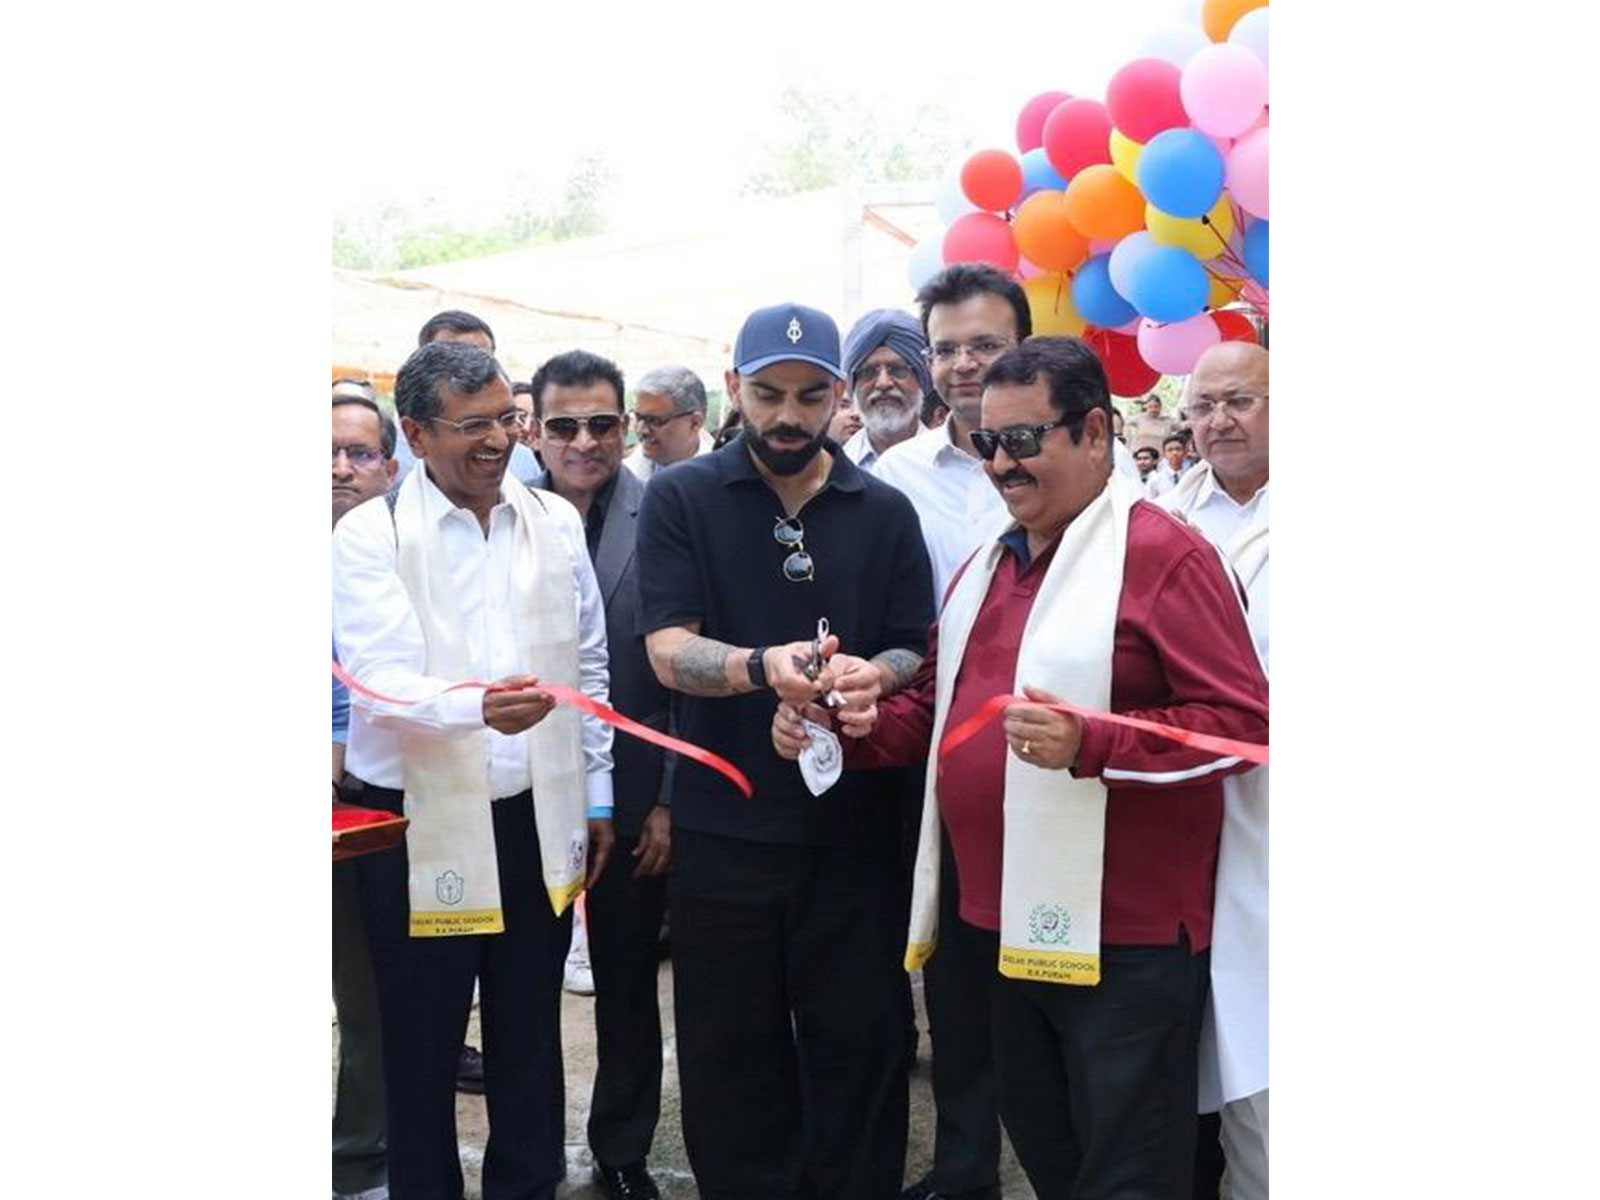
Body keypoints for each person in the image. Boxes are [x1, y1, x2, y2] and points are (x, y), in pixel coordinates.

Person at [777, 335, 1269, 1200]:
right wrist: (849, 722)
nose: (1001, 464)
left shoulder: (1164, 554)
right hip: (998, 927)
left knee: (1128, 1173)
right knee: (1049, 1153)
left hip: (1125, 938)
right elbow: (940, 716)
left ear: (1094, 432)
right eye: (988, 442)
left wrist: (1096, 743)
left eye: (1023, 440)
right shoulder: (989, 562)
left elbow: (1239, 727)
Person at [636, 301, 935, 1200]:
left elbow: (910, 644)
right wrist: (762, 668)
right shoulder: (683, 497)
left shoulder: (884, 510)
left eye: (810, 396)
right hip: (725, 830)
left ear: (839, 392)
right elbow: (667, 650)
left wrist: (868, 677)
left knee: (862, 1048)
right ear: (733, 388)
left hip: (855, 836)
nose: (788, 416)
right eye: (769, 394)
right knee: (730, 1054)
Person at [333, 339, 617, 1200]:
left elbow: (589, 665)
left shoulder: (552, 520)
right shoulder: (371, 532)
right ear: (417, 433)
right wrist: (479, 710)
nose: (498, 441)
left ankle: (525, 1186)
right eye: (472, 426)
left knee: (530, 1030)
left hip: (534, 811)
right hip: (416, 820)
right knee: (420, 1041)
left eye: (505, 419)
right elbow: (378, 680)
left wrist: (597, 795)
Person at [870, 263, 1028, 1200]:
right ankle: (965, 1167)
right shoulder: (890, 480)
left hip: (1047, 757)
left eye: (986, 344)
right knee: (952, 974)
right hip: (920, 756)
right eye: (948, 349)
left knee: (1041, 969)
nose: (965, 365)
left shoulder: (1091, 468)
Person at [529, 349, 675, 1200]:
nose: (583, 441)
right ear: (534, 430)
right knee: (521, 990)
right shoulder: (500, 515)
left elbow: (685, 674)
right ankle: (529, 1149)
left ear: (625, 428)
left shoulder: (665, 515)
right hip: (523, 794)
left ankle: (621, 1150)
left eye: (601, 424)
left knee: (625, 986)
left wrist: (668, 803)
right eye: (564, 425)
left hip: (638, 796)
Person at [1160, 342, 1270, 1200]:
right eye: (1202, 406)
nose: (1218, 422)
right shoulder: (1163, 513)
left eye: (1240, 401)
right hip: (1183, 811)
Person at [332, 388, 399, 1200]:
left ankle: (358, 1159)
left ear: (390, 465)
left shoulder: (408, 549)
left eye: (359, 453)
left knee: (368, 994)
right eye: (325, 452)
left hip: (367, 804)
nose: (340, 468)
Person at [839, 309, 934, 472]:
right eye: (868, 372)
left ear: (921, 378)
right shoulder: (833, 469)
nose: (883, 383)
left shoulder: (953, 465)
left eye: (898, 370)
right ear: (853, 384)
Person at [623, 365, 714, 482]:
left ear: (695, 423)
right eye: (638, 417)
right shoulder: (620, 477)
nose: (642, 430)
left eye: (655, 421)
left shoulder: (721, 479)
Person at [1146, 434, 1190, 498]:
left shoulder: (1191, 476)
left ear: (1185, 453)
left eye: (1178, 449)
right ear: (1164, 455)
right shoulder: (1155, 480)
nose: (1174, 453)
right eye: (1170, 450)